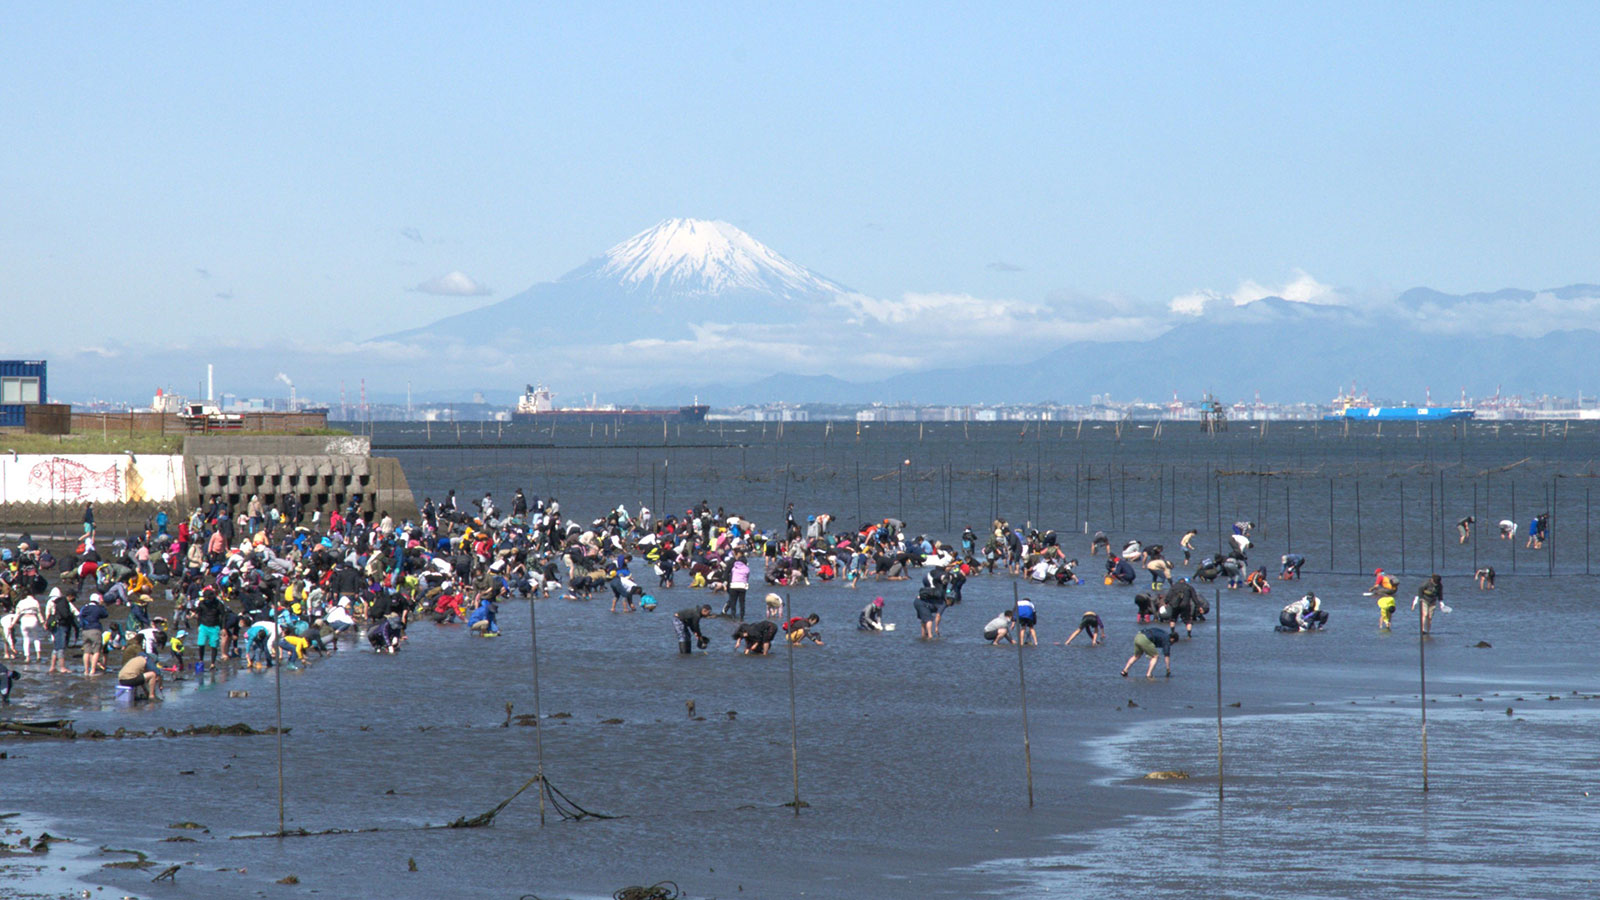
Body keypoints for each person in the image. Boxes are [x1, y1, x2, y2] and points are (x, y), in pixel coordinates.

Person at [45, 588, 77, 674]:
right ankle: (62, 667)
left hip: (57, 626)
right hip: (61, 626)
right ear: (70, 596)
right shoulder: (63, 603)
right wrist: (71, 616)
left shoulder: (59, 602)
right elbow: (65, 614)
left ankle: (52, 667)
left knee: (56, 647)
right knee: (61, 647)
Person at [723, 553, 750, 619]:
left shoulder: (734, 568)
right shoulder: (747, 569)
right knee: (742, 602)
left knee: (733, 601)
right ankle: (742, 616)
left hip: (733, 586)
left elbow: (730, 575)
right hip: (742, 586)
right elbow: (747, 577)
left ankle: (733, 615)